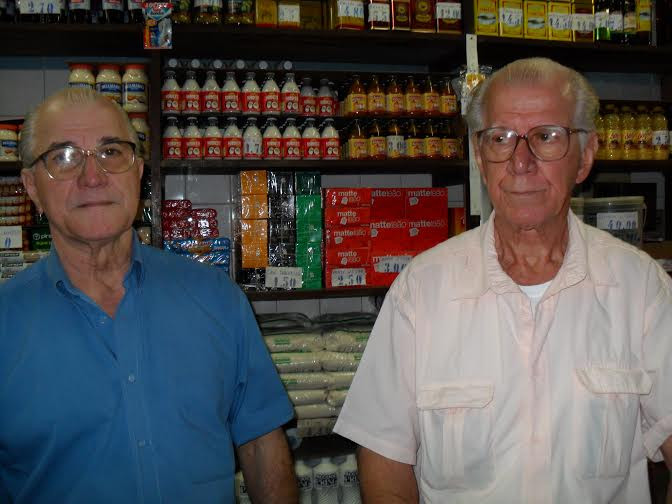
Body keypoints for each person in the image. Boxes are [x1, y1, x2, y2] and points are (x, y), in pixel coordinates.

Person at [334, 57, 672, 503]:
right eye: (501, 138)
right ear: (479, 156)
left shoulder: (640, 288)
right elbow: (384, 459)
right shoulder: (423, 289)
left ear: (585, 157)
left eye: (546, 137)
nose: (520, 162)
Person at [0, 88, 298, 504]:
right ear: (31, 186)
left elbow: (261, 444)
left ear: (138, 171)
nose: (93, 176)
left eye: (111, 152)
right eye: (64, 157)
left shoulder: (217, 298)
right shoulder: (6, 322)